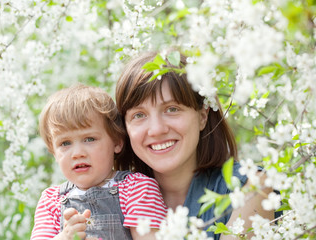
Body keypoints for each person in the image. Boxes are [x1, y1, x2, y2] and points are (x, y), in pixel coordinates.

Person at [115, 51, 275, 240]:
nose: (156, 130)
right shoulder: (107, 197)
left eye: (172, 109)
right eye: (139, 115)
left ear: (202, 116)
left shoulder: (251, 187)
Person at [30, 84, 167, 240]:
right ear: (54, 152)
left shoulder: (137, 189)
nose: (77, 153)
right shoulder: (51, 202)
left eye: (89, 139)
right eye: (65, 143)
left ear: (117, 142)